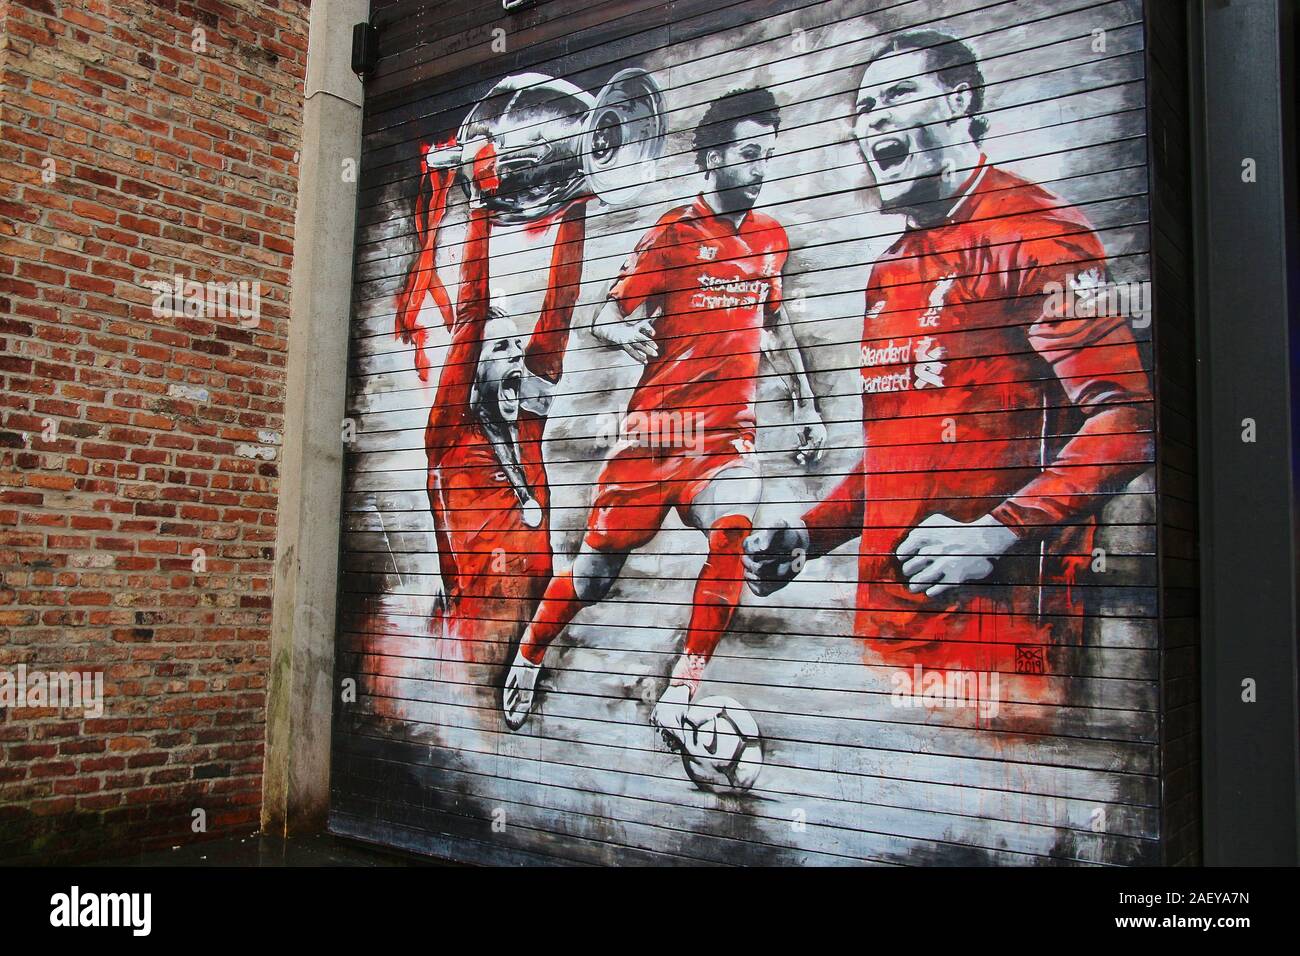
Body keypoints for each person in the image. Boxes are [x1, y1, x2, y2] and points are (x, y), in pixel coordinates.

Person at [742, 31, 1153, 680]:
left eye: (897, 95)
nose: (871, 117)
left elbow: (1127, 423)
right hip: (887, 636)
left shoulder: (1038, 236)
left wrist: (995, 532)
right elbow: (900, 452)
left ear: (959, 102)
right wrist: (811, 532)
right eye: (863, 106)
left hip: (1001, 646)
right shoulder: (891, 268)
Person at [502, 87, 826, 747]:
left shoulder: (770, 240)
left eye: (769, 154)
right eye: (749, 153)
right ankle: (531, 653)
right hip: (652, 442)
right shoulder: (673, 234)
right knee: (592, 579)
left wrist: (807, 402)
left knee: (733, 529)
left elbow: (773, 323)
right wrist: (624, 335)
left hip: (725, 439)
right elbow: (607, 315)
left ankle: (681, 690)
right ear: (712, 158)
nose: (761, 167)